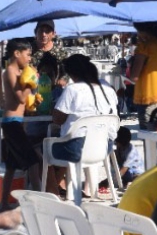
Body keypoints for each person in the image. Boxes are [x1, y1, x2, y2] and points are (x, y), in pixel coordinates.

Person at [48, 55, 120, 193]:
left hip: (77, 149)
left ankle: (53, 193)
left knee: (41, 151)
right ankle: (85, 189)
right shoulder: (107, 88)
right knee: (76, 137)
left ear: (72, 74)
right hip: (104, 147)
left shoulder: (73, 89)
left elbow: (57, 119)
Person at [1, 38, 42, 202]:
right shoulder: (10, 70)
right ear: (16, 54)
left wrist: (34, 98)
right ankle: (39, 200)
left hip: (18, 122)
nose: (29, 58)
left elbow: (26, 101)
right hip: (12, 123)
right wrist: (30, 84)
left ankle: (3, 202)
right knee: (33, 161)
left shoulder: (19, 72)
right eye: (27, 55)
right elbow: (20, 98)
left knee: (11, 167)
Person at [32, 20, 68, 87]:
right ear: (35, 32)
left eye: (47, 31)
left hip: (55, 91)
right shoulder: (29, 50)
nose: (44, 34)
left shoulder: (59, 52)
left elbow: (68, 70)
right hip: (33, 91)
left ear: (53, 34)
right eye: (41, 31)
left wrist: (64, 79)